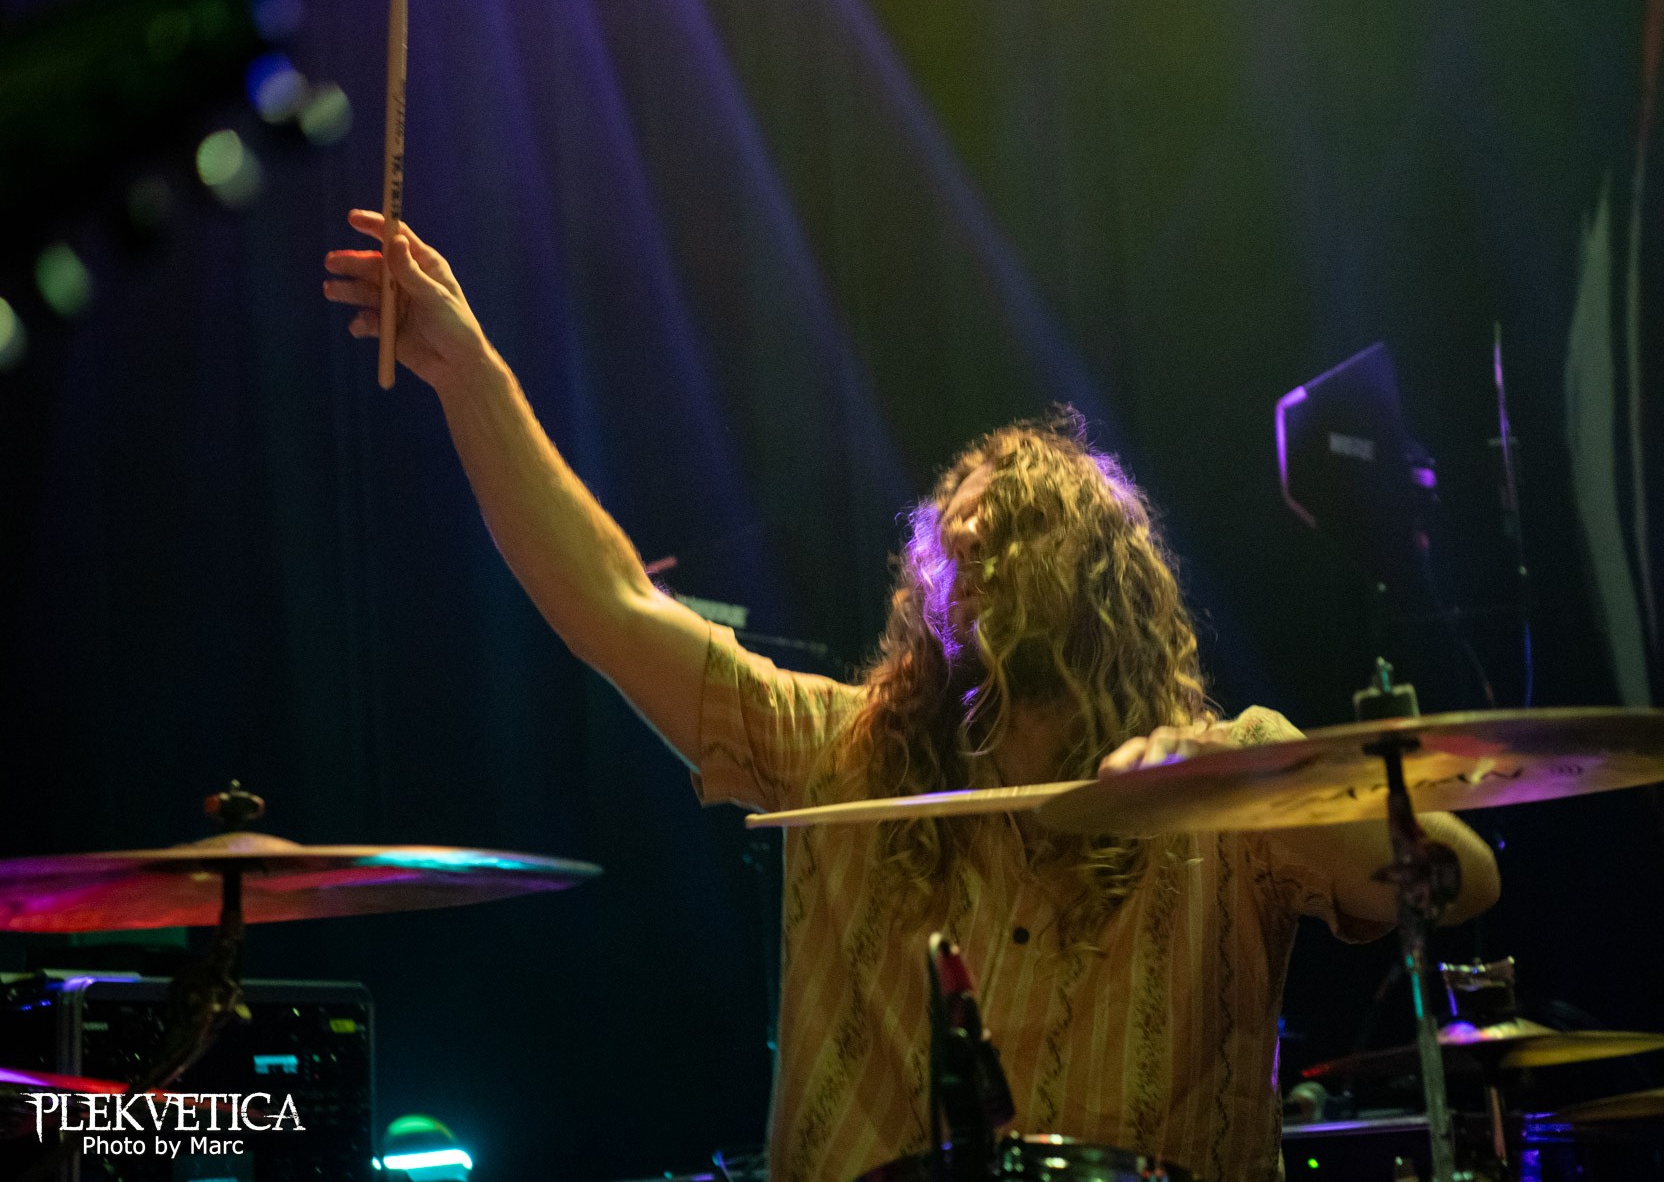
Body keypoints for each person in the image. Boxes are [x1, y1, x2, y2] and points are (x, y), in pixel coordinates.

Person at [322, 210, 1500, 1182]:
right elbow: (611, 603)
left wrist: (1245, 792)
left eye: (1020, 530)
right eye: (957, 534)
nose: (974, 544)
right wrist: (468, 372)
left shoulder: (1235, 769)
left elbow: (1458, 874)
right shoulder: (837, 749)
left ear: (1105, 585)